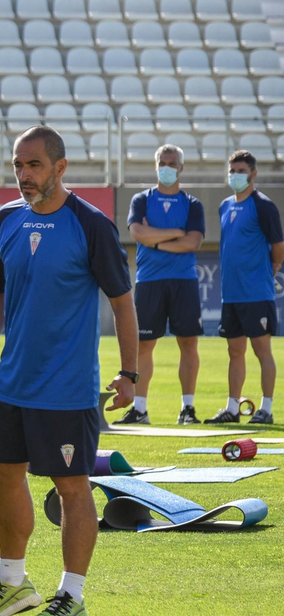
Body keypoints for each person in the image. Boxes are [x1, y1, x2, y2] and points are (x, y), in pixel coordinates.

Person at [0, 126, 137, 616]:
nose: (23, 175)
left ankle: (72, 597)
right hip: (13, 383)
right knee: (4, 475)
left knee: (71, 486)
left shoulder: (91, 225)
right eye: (18, 165)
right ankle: (13, 584)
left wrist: (130, 374)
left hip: (67, 387)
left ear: (60, 168)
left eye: (34, 165)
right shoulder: (5, 221)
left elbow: (122, 303)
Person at [122, 145, 204, 425]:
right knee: (144, 346)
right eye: (162, 162)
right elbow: (137, 233)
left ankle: (188, 409)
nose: (167, 168)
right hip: (149, 280)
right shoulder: (141, 199)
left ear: (181, 168)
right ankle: (140, 409)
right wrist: (175, 235)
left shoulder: (193, 204)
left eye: (172, 163)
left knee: (188, 344)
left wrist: (154, 238)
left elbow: (193, 242)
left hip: (184, 280)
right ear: (155, 165)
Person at [206, 150, 284, 425]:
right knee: (234, 352)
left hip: (256, 293)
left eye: (241, 171)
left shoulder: (264, 206)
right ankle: (232, 408)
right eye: (232, 170)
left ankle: (266, 409)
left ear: (253, 174)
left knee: (263, 351)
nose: (236, 175)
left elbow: (278, 248)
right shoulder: (225, 205)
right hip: (231, 294)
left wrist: (269, 271)